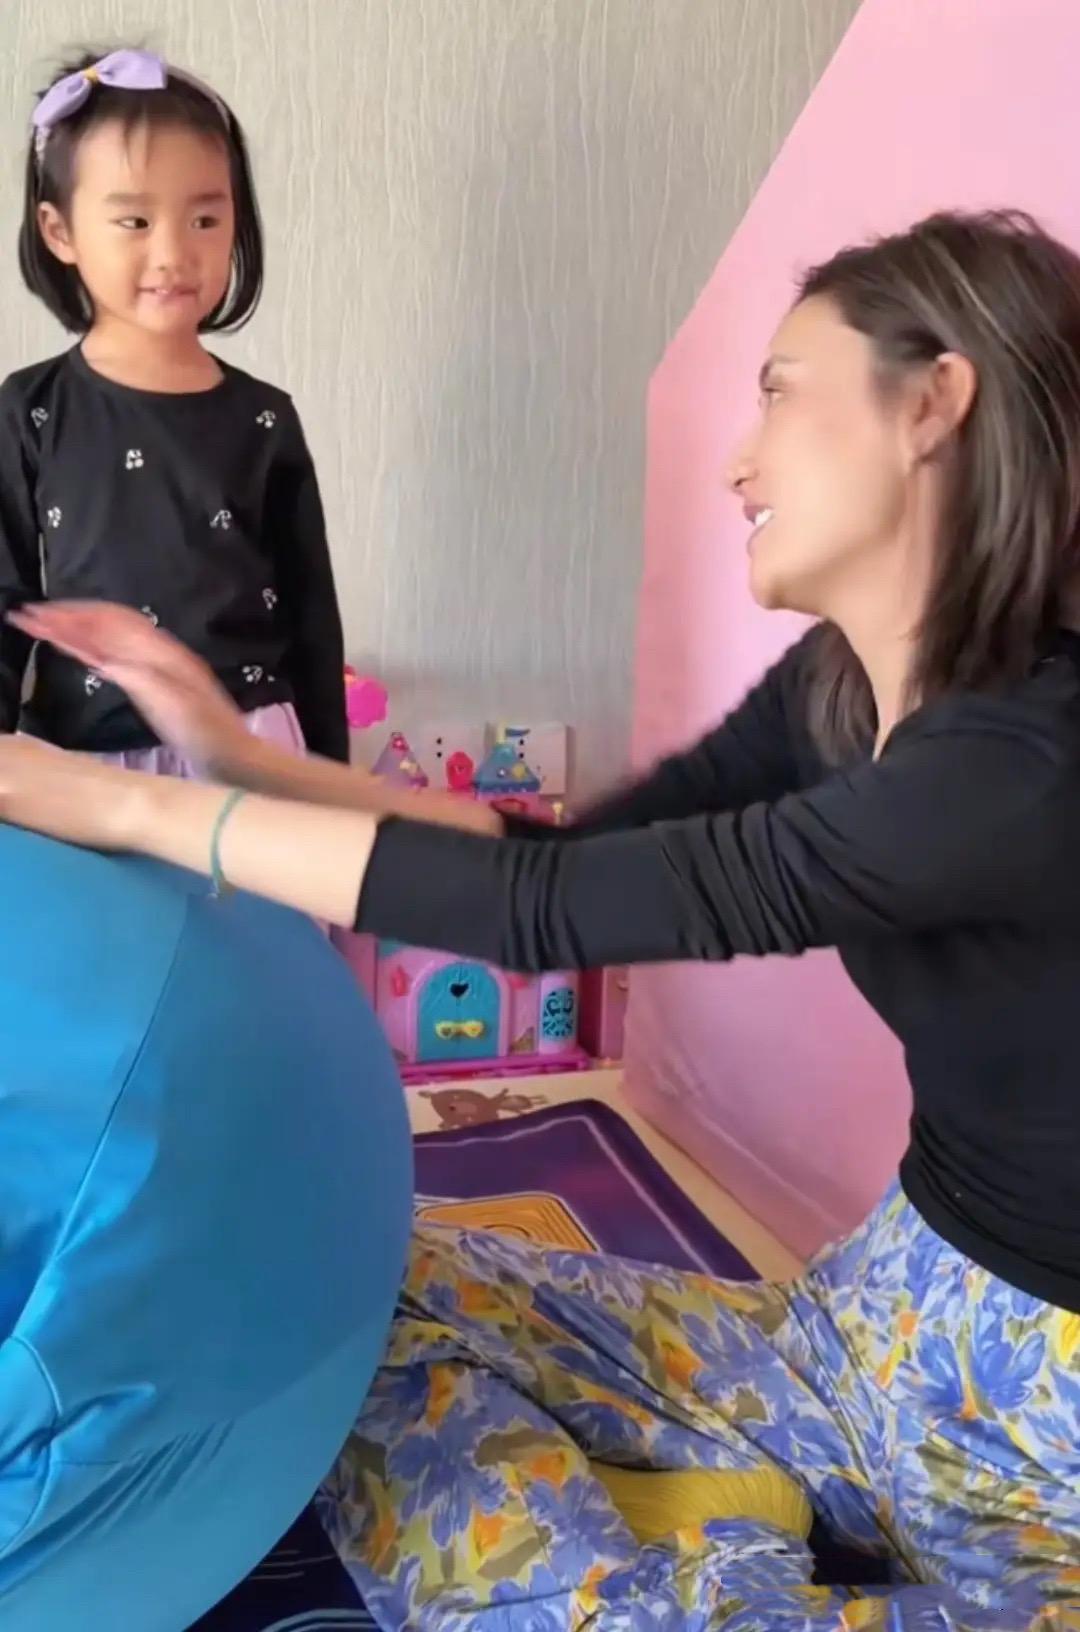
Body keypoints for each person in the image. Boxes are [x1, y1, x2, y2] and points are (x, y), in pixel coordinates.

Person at [3, 209, 1080, 1630]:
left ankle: (708, 1578)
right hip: (868, 1326)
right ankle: (713, 1535)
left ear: (933, 403)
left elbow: (547, 912)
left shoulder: (1022, 770)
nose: (739, 460)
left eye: (779, 390)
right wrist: (230, 751)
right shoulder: (843, 688)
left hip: (1044, 1441)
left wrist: (127, 806)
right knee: (329, 1311)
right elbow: (572, 859)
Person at [0, 47, 347, 772]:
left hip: (252, 755)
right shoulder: (30, 411)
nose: (174, 253)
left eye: (205, 220)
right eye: (134, 221)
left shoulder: (265, 418)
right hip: (85, 761)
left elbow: (313, 625)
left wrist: (332, 786)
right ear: (59, 231)